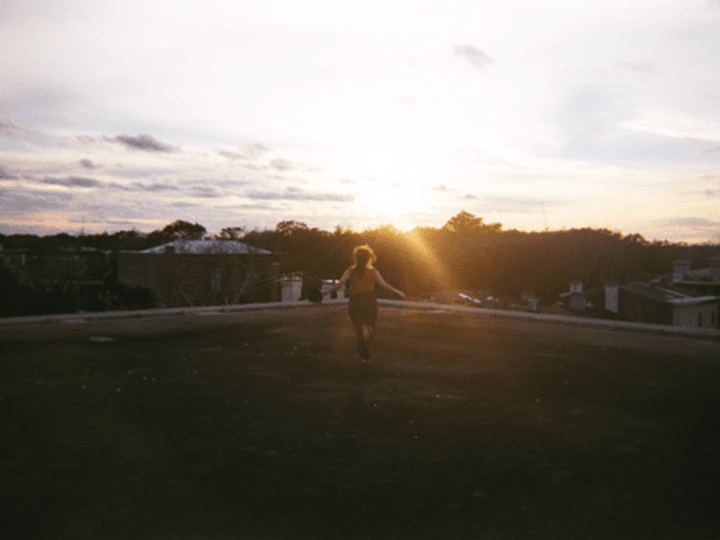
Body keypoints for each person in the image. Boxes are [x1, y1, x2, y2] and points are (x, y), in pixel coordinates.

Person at [325, 245, 406, 362]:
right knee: (369, 326)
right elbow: (384, 285)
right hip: (369, 300)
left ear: (356, 258)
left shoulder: (350, 271)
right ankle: (369, 332)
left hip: (355, 301)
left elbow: (340, 284)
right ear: (369, 258)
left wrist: (325, 292)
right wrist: (397, 291)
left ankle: (365, 356)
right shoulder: (373, 271)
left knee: (359, 330)